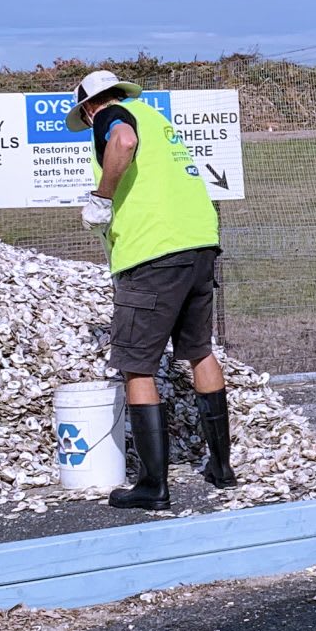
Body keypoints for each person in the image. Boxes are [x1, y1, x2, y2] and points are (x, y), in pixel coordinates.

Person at [69, 70, 233, 510]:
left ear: (89, 107)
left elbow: (122, 142)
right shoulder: (158, 119)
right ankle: (221, 468)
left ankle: (152, 485)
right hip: (199, 244)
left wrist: (102, 196)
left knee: (137, 365)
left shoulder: (112, 114)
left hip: (153, 255)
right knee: (199, 351)